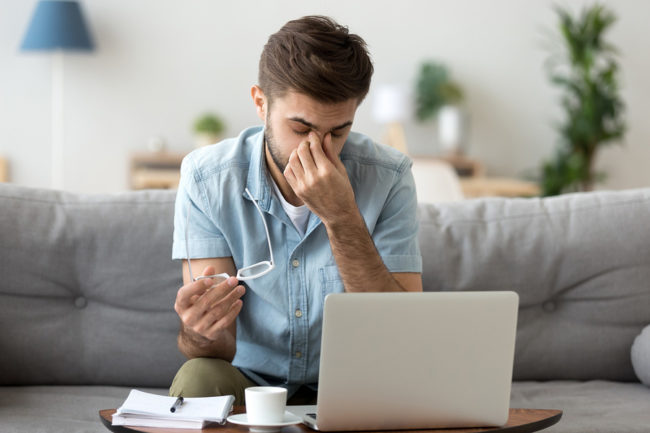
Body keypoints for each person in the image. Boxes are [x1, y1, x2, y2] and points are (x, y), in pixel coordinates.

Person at [169, 15, 422, 405]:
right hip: (252, 384)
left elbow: (401, 337)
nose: (318, 149)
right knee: (198, 376)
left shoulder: (389, 177)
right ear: (260, 103)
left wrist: (342, 217)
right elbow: (214, 351)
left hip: (358, 385)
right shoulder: (206, 179)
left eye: (338, 131)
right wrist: (199, 331)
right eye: (301, 129)